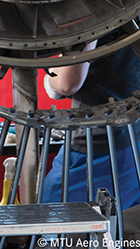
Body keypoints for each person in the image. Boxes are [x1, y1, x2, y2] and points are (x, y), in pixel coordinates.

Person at [41, 40, 140, 207]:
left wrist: (50, 81)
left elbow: (66, 83)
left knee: (49, 216)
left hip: (102, 146)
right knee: (123, 226)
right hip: (131, 139)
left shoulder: (93, 14)